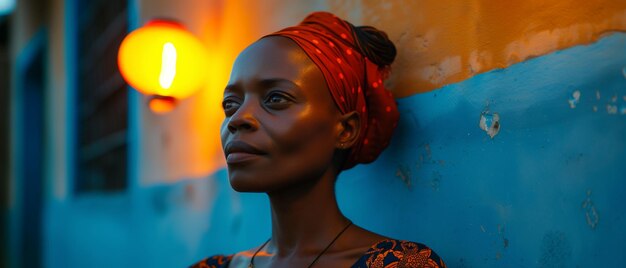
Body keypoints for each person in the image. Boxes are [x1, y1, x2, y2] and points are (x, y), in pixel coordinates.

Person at [191, 11, 445, 268]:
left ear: (345, 130)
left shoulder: (399, 265)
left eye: (276, 98)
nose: (237, 119)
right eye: (230, 104)